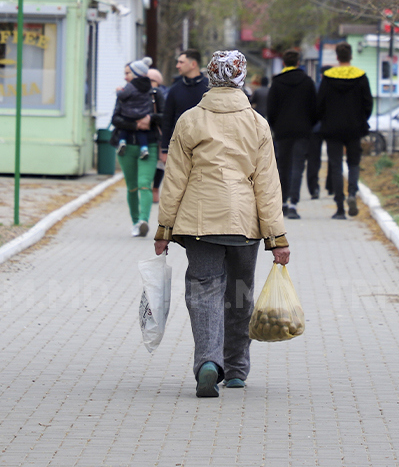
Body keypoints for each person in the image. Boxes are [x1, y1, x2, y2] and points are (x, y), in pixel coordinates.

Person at [155, 50, 289, 398]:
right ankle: (237, 370)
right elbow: (268, 186)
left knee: (203, 291)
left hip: (198, 223)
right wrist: (277, 239)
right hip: (245, 225)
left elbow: (174, 180)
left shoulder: (190, 120)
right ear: (241, 78)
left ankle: (208, 363)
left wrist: (164, 229)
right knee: (240, 294)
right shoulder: (257, 123)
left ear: (211, 77)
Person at [316, 42, 372, 219]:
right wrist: (362, 120)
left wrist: (324, 119)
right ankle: (352, 194)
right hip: (354, 128)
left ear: (337, 58)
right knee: (354, 163)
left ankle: (340, 207)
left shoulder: (328, 77)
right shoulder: (361, 76)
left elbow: (320, 104)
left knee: (336, 166)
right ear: (351, 56)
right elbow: (368, 103)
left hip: (332, 128)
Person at [111, 60, 164, 237]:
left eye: (128, 73)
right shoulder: (123, 95)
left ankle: (143, 221)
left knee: (144, 184)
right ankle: (135, 222)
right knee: (132, 186)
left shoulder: (154, 93)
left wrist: (150, 118)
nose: (125, 77)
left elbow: (164, 116)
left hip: (148, 145)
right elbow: (115, 119)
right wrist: (135, 125)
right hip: (126, 147)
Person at [267, 49, 317, 220]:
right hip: (302, 131)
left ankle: (283, 203)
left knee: (282, 167)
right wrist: (309, 126)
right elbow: (314, 108)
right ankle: (294, 204)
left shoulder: (277, 82)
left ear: (283, 63)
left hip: (282, 131)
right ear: (298, 63)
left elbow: (271, 109)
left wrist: (274, 127)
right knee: (298, 166)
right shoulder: (308, 82)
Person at [159, 49, 210, 160]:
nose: (177, 66)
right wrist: (164, 148)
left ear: (193, 64)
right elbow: (167, 119)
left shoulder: (209, 89)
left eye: (181, 62)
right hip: (179, 146)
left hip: (205, 146)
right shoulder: (174, 89)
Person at [113, 57, 155, 160]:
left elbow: (122, 95)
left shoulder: (131, 86)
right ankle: (144, 148)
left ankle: (122, 141)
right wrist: (139, 123)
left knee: (124, 126)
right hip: (142, 114)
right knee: (142, 132)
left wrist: (118, 91)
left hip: (129, 114)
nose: (125, 78)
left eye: (128, 73)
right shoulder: (148, 87)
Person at [147, 68, 168, 203]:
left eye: (152, 80)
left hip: (158, 133)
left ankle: (155, 188)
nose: (150, 83)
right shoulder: (143, 94)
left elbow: (165, 116)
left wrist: (150, 118)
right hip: (144, 134)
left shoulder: (161, 94)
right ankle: (147, 188)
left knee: (160, 164)